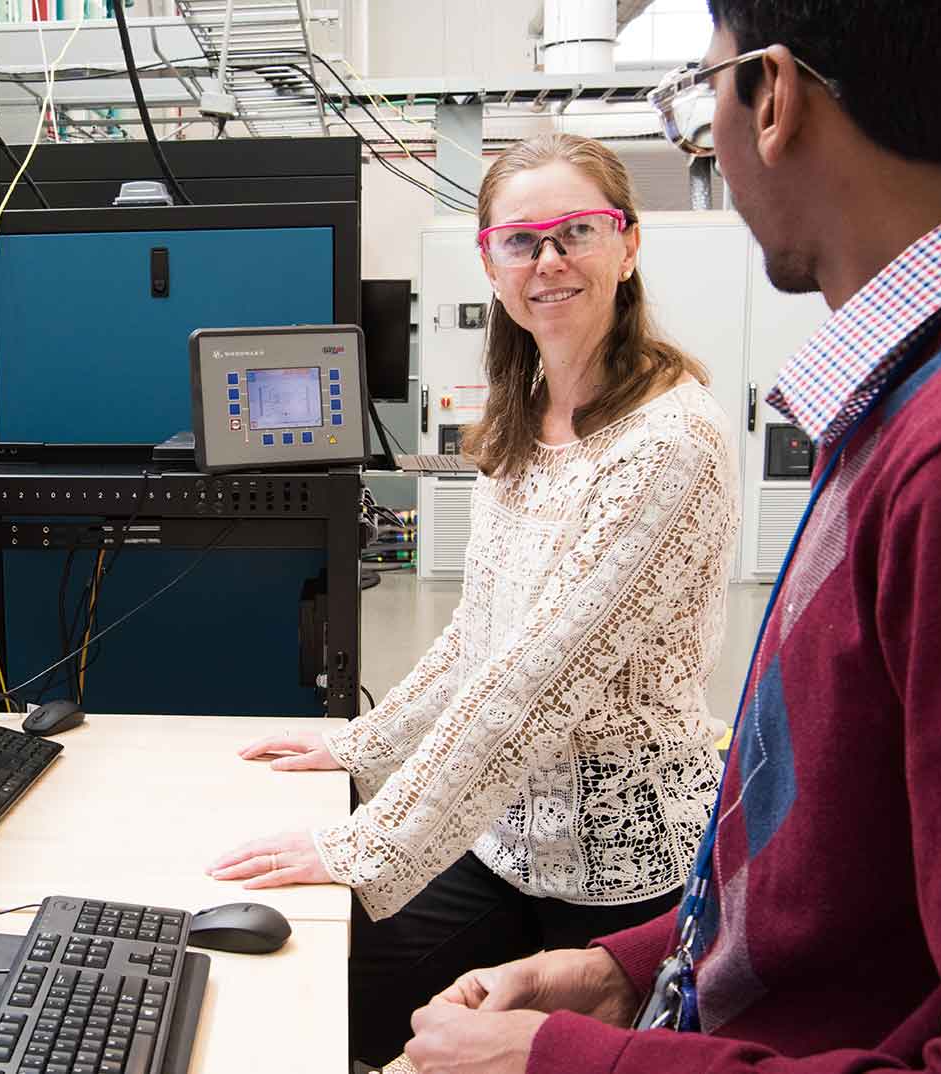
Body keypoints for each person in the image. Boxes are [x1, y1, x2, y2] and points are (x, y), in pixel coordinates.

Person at [401, 4, 941, 1074]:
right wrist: (635, 966)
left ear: (775, 99)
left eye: (699, 92)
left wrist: (575, 1060)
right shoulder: (936, 393)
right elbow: (867, 888)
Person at [205, 132, 741, 1065]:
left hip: (627, 877)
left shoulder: (668, 441)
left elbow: (535, 683)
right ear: (490, 261)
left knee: (371, 1003)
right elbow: (478, 636)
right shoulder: (527, 412)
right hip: (503, 843)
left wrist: (368, 842)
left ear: (628, 244)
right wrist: (358, 746)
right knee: (316, 989)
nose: (549, 261)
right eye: (521, 240)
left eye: (577, 230)